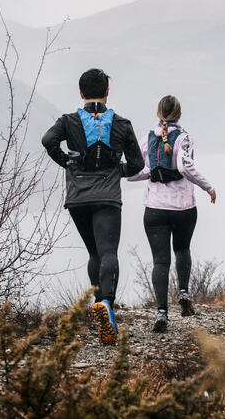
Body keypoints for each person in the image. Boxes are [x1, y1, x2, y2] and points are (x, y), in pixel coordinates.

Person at [41, 69, 144, 345]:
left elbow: (47, 141)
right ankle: (106, 305)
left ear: (81, 93)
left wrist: (67, 162)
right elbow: (138, 165)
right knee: (108, 251)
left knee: (94, 253)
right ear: (107, 92)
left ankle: (98, 302)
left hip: (78, 197)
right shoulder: (122, 124)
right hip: (107, 196)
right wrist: (118, 170)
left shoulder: (68, 121)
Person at [128, 95, 216, 332]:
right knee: (182, 249)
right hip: (183, 208)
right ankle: (184, 294)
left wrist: (136, 173)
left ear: (158, 114)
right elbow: (184, 166)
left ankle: (161, 313)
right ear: (179, 114)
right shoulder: (184, 138)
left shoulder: (147, 139)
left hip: (155, 209)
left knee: (160, 261)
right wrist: (208, 187)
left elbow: (138, 171)